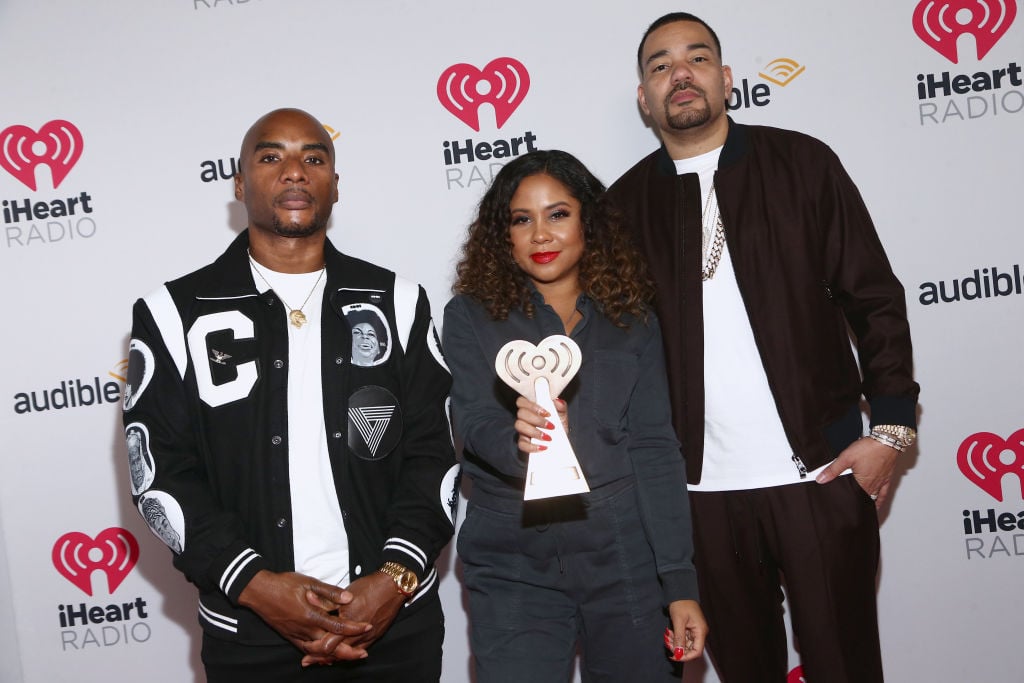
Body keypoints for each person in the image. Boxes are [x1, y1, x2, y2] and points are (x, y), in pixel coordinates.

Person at [606, 12, 921, 683]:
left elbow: (874, 298)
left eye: (695, 58)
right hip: (700, 499)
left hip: (820, 477)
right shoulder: (622, 207)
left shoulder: (802, 164)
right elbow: (610, 355)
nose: (679, 74)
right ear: (644, 97)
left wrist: (891, 428)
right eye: (660, 65)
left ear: (726, 79)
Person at [122, 108, 459, 682]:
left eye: (314, 157)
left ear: (334, 183)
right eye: (271, 156)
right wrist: (255, 585)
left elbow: (436, 454)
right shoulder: (172, 313)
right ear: (238, 183)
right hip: (249, 635)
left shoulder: (398, 300)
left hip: (394, 626)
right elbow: (159, 473)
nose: (295, 171)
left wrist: (392, 579)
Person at [443, 149, 708, 682]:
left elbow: (654, 449)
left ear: (589, 221)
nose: (541, 234)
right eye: (522, 219)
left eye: (557, 214)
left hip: (623, 556)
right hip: (512, 559)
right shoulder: (470, 314)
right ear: (504, 235)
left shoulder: (632, 318)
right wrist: (519, 440)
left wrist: (679, 583)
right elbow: (471, 427)